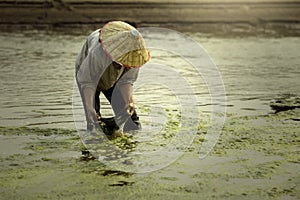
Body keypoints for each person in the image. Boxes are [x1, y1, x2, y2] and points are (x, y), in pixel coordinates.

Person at [75, 21, 150, 133]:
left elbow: (126, 81)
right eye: (119, 62)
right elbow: (88, 82)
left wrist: (129, 101)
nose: (121, 65)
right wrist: (90, 107)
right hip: (89, 78)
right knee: (93, 123)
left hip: (115, 79)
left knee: (132, 122)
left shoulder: (135, 57)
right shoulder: (97, 54)